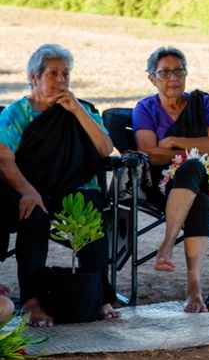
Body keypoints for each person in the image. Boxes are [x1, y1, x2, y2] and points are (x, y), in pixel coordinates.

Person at [0, 44, 120, 327]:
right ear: (34, 77)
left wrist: (77, 110)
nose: (61, 80)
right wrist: (28, 191)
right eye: (53, 73)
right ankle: (32, 301)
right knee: (34, 214)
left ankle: (99, 296)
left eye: (65, 74)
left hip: (75, 187)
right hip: (33, 187)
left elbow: (105, 148)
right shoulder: (15, 114)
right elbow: (4, 162)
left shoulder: (84, 110)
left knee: (90, 209)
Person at [132, 47, 209, 312]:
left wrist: (174, 142)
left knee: (194, 169)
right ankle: (194, 289)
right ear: (152, 78)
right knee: (195, 177)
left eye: (178, 71)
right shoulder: (145, 109)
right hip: (163, 184)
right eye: (165, 72)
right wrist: (198, 149)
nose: (173, 77)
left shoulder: (204, 103)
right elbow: (150, 153)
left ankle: (167, 246)